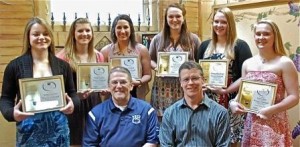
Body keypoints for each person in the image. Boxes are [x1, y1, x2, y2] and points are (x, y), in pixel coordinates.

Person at [0, 17, 79, 146]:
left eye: (46, 34)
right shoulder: (14, 66)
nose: (41, 37)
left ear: (51, 37)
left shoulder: (63, 66)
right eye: (36, 34)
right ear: (28, 37)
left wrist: (73, 105)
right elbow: (5, 98)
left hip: (59, 130)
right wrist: (11, 114)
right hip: (28, 130)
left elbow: (73, 93)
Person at [230, 19, 299, 146]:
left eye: (266, 34)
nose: (261, 37)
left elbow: (294, 97)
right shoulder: (247, 63)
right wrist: (233, 103)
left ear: (275, 36)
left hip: (274, 124)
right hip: (252, 123)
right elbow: (242, 93)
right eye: (258, 34)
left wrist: (272, 110)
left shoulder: (285, 62)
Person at [197, 7, 252, 145]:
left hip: (231, 100)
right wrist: (200, 86)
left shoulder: (240, 46)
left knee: (230, 139)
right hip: (207, 100)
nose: (218, 25)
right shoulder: (204, 46)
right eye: (216, 21)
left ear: (230, 24)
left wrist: (226, 90)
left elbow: (247, 76)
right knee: (208, 137)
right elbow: (197, 72)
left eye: (223, 22)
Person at [56, 17, 105, 145]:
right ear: (73, 33)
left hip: (94, 103)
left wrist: (105, 90)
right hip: (73, 105)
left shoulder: (98, 55)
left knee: (95, 140)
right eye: (80, 31)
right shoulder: (62, 58)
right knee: (74, 140)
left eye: (88, 30)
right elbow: (58, 89)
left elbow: (103, 82)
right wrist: (75, 96)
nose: (85, 34)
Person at [82, 66, 159, 146]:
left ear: (131, 86)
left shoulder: (147, 110)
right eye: (114, 82)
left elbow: (152, 141)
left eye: (123, 82)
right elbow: (89, 144)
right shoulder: (95, 114)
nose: (118, 86)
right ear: (108, 86)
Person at [159, 61, 230, 146]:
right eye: (186, 79)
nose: (190, 83)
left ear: (203, 80)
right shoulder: (170, 113)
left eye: (195, 78)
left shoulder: (220, 113)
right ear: (180, 82)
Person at [149, 3, 201, 117]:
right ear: (166, 19)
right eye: (170, 16)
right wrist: (156, 67)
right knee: (164, 121)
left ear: (183, 18)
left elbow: (200, 62)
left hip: (185, 86)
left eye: (178, 16)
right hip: (162, 88)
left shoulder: (194, 39)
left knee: (185, 117)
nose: (174, 19)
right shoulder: (158, 39)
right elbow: (150, 59)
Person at [100, 14, 152, 99]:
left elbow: (148, 75)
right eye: (119, 28)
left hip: (136, 93)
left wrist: (139, 82)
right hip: (113, 95)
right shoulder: (105, 51)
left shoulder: (141, 50)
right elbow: (102, 77)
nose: (123, 31)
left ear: (131, 29)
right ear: (114, 30)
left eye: (125, 27)